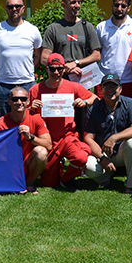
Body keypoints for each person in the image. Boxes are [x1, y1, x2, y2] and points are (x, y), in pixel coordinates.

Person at [28, 53, 96, 188]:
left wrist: (84, 102)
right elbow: (25, 115)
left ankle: (66, 178)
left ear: (64, 69)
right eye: (52, 68)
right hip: (48, 139)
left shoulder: (73, 86)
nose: (56, 72)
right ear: (46, 69)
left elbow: (95, 97)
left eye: (59, 68)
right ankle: (57, 168)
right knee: (48, 183)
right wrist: (31, 107)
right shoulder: (36, 89)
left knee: (81, 157)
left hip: (67, 136)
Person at [0, 0, 42, 120]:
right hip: (3, 85)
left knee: (29, 120)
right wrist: (0, 70)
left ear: (23, 9)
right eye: (10, 6)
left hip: (27, 83)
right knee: (3, 122)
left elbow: (38, 55)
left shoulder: (32, 30)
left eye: (17, 6)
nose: (14, 9)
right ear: (6, 9)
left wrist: (30, 69)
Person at [82, 73, 132, 189]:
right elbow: (88, 138)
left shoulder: (130, 103)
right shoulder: (94, 109)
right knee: (88, 166)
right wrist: (101, 157)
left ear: (120, 89)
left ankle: (131, 184)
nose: (110, 90)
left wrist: (114, 138)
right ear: (101, 89)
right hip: (102, 152)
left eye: (114, 86)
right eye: (106, 86)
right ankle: (106, 176)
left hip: (122, 151)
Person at [0, 86, 52, 194]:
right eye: (15, 99)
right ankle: (16, 183)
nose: (19, 102)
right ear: (9, 101)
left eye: (23, 99)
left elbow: (48, 145)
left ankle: (29, 182)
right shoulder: (0, 124)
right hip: (10, 165)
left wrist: (30, 137)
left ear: (28, 101)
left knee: (41, 152)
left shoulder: (36, 118)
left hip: (29, 162)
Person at [40, 0, 101, 80]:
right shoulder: (53, 28)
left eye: (79, 2)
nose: (77, 5)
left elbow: (96, 55)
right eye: (73, 2)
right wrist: (64, 68)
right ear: (63, 5)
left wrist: (76, 63)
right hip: (60, 79)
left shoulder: (87, 27)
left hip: (82, 79)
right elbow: (44, 58)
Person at [95, 0, 132, 98]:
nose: (119, 9)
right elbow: (96, 53)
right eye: (117, 5)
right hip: (105, 79)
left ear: (129, 8)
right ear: (112, 6)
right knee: (102, 113)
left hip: (129, 80)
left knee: (127, 113)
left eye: (123, 6)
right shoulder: (101, 27)